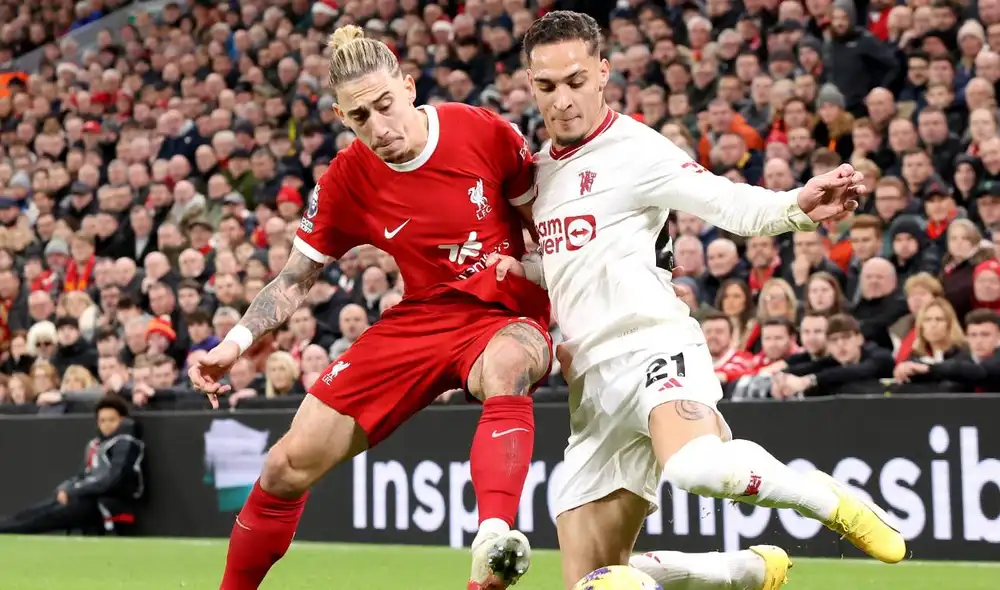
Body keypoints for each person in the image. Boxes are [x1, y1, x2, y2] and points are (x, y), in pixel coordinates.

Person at [490, 12, 906, 590]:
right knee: (594, 583)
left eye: (576, 80)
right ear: (530, 84)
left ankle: (823, 497)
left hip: (653, 344)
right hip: (590, 378)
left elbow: (728, 203)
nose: (562, 99)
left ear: (603, 73)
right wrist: (524, 269)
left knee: (696, 466)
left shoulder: (636, 150)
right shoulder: (541, 176)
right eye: (547, 85)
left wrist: (799, 203)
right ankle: (742, 572)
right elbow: (576, 260)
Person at [187, 26, 552, 590]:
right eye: (361, 118)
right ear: (340, 116)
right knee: (284, 467)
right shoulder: (348, 178)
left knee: (507, 368)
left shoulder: (481, 130)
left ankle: (493, 540)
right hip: (422, 319)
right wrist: (233, 346)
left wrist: (559, 293)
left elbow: (547, 228)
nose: (380, 128)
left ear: (408, 87)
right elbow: (293, 279)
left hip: (506, 310)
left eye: (386, 105)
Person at [0, 395, 144, 535]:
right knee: (36, 510)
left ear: (123, 420)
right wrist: (65, 488)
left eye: (112, 420)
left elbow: (113, 481)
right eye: (102, 421)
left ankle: (5, 529)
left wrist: (75, 491)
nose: (106, 425)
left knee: (45, 517)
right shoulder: (95, 444)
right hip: (86, 497)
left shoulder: (126, 443)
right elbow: (83, 474)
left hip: (106, 502)